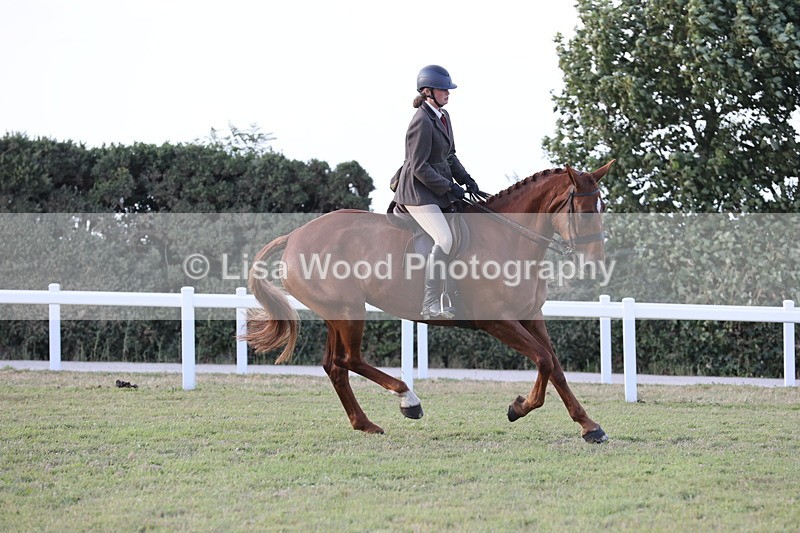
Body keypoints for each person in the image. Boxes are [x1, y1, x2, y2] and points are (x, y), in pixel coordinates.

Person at [392, 64, 480, 319]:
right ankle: (430, 302)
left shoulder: (443, 116)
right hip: (418, 192)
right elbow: (419, 167)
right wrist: (449, 186)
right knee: (445, 238)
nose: (448, 93)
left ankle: (454, 293)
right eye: (444, 89)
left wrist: (466, 179)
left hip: (437, 189)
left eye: (448, 89)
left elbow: (449, 155)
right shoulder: (421, 121)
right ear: (428, 91)